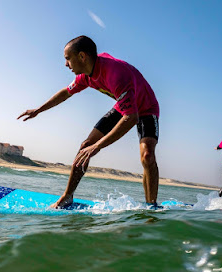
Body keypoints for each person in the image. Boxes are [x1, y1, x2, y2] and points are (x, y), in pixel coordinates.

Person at [17, 36, 160, 208]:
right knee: (86, 144)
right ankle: (67, 197)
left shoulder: (116, 74)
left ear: (82, 57)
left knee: (147, 156)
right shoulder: (84, 76)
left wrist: (98, 146)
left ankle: (151, 206)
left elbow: (132, 118)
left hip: (146, 107)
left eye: (68, 59)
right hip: (124, 105)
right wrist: (38, 110)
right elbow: (66, 92)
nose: (66, 64)